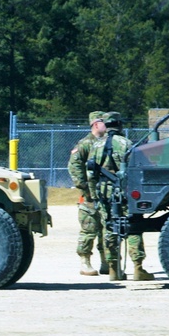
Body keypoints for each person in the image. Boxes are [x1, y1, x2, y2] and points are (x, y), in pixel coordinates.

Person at [88, 111, 155, 282]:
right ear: (119, 125)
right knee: (133, 225)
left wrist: (95, 195)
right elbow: (136, 169)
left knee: (109, 227)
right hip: (124, 192)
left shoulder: (96, 145)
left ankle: (113, 269)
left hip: (104, 192)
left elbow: (91, 173)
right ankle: (138, 268)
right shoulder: (127, 144)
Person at [67, 111, 106, 276]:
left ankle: (106, 261)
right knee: (89, 228)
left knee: (106, 229)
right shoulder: (86, 144)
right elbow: (74, 166)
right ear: (96, 124)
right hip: (90, 195)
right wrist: (85, 187)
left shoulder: (107, 142)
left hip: (105, 193)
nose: (107, 125)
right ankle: (85, 262)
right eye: (104, 122)